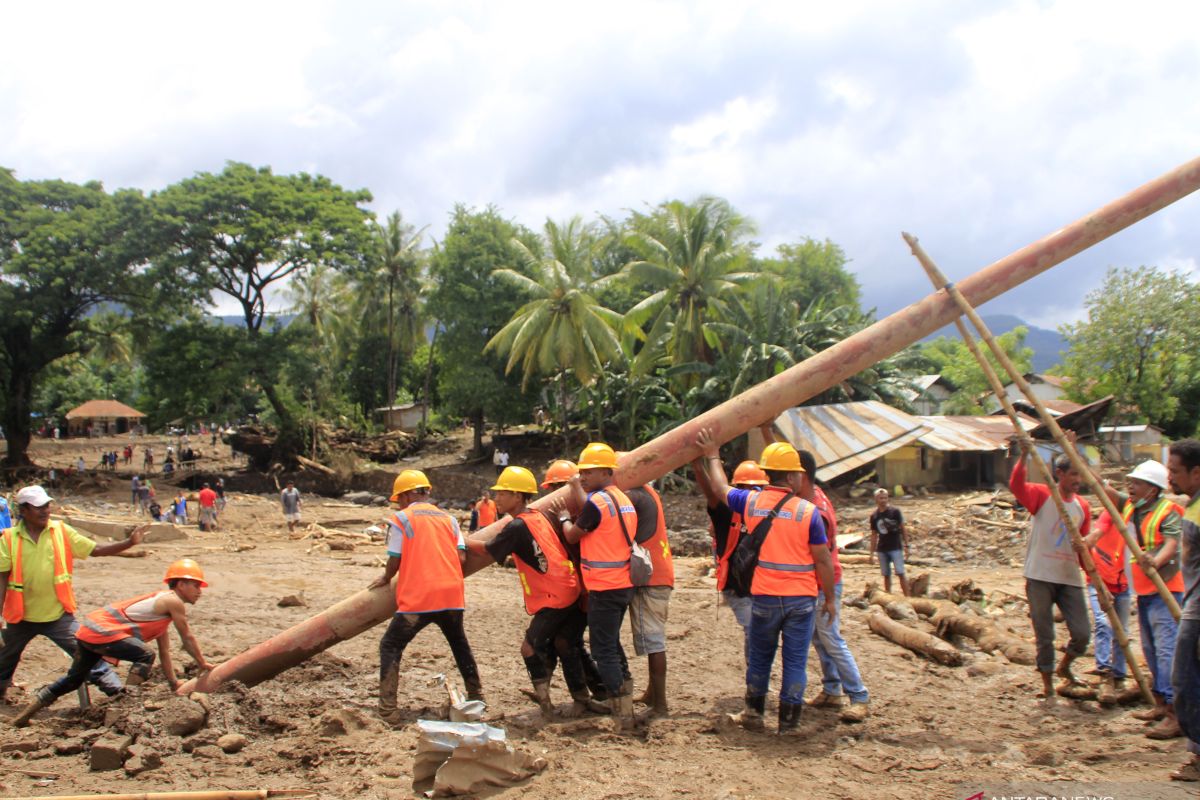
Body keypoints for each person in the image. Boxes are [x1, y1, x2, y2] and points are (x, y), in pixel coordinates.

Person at [697, 430, 836, 733]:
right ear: (791, 478)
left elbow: (721, 488)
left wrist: (711, 454)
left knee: (760, 658)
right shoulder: (808, 512)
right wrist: (830, 598)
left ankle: (753, 713)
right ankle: (789, 722)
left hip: (765, 597)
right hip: (801, 600)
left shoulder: (752, 504)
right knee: (795, 660)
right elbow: (823, 559)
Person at [12, 559, 216, 726]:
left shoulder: (161, 613)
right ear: (181, 584)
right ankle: (126, 706)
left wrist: (173, 683)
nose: (200, 591)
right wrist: (202, 662)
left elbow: (165, 651)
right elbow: (187, 637)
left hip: (89, 632)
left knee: (73, 679)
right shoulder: (173, 601)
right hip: (101, 632)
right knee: (145, 655)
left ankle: (23, 716)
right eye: (196, 585)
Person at [467, 466, 603, 717]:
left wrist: (460, 542)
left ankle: (547, 706)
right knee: (565, 643)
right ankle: (583, 698)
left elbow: (488, 549)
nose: (496, 498)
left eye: (502, 493)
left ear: (518, 497)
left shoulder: (517, 526)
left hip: (554, 596)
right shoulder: (537, 516)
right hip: (570, 588)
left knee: (529, 648)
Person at [0, 486, 146, 702]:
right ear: (23, 510)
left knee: (86, 650)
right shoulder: (9, 538)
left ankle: (116, 692)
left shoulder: (60, 531)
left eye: (47, 505)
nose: (45, 510)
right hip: (21, 617)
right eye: (38, 507)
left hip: (57, 615)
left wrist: (129, 543)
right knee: (4, 659)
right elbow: (2, 578)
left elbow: (95, 550)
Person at [369, 470, 482, 724]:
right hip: (452, 594)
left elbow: (395, 559)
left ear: (409, 494)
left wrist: (386, 577)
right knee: (459, 643)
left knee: (390, 645)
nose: (398, 503)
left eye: (399, 497)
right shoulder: (450, 520)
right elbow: (461, 558)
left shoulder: (402, 519)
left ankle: (388, 711)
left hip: (419, 597)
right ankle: (477, 696)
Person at [1096, 460, 1185, 737]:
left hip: (1166, 588)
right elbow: (1103, 488)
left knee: (1166, 649)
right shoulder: (1132, 506)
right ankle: (1160, 702)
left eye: (1136, 483)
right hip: (1144, 590)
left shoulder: (1166, 510)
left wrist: (1155, 561)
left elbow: (1172, 542)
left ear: (1152, 489)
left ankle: (1174, 711)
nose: (1131, 487)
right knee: (1150, 649)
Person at [562, 442, 638, 727]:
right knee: (612, 641)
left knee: (602, 648)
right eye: (581, 472)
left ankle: (622, 710)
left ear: (606, 471)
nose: (582, 477)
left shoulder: (598, 502)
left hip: (605, 586)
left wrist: (562, 520)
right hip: (623, 582)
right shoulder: (623, 499)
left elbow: (573, 535)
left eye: (588, 472)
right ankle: (626, 694)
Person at [1009, 446, 1091, 700]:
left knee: (1082, 633)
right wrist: (1024, 455)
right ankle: (1047, 682)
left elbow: (1084, 547)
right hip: (1040, 575)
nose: (1078, 480)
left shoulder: (1083, 507)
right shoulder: (1043, 495)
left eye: (1081, 474)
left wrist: (1094, 578)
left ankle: (1065, 665)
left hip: (1069, 577)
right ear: (1059, 473)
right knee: (1044, 633)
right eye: (1073, 474)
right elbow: (1016, 484)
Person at [796, 449, 870, 723]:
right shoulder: (810, 494)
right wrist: (767, 429)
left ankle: (859, 695)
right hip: (817, 583)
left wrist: (828, 597)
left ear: (799, 476)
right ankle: (831, 689)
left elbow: (824, 561)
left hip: (824, 582)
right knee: (819, 636)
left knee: (831, 638)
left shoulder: (817, 510)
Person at [692, 455, 767, 661]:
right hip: (737, 586)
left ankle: (756, 681)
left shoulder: (767, 511)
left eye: (758, 488)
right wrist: (700, 466)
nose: (753, 493)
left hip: (762, 585)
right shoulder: (726, 512)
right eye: (747, 488)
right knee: (753, 631)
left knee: (759, 634)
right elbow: (713, 491)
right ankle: (755, 684)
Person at [1166, 439, 1200, 781]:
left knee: (1184, 679)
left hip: (1198, 608)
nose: (1169, 477)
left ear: (1196, 472)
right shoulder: (1191, 506)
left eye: (1175, 471)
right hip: (1192, 602)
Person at [625, 479, 674, 717]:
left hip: (651, 577)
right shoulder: (647, 492)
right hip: (657, 571)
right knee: (653, 639)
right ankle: (652, 694)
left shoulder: (635, 495)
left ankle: (661, 705)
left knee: (653, 641)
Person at [1081, 508, 1131, 705]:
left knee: (1122, 631)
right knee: (1103, 624)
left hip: (1123, 583)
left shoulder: (1135, 519)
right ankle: (1104, 671)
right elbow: (1095, 536)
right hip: (1099, 581)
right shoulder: (1110, 514)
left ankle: (1119, 675)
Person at [869, 489, 910, 596]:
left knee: (900, 573)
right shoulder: (874, 516)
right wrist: (871, 553)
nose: (883, 500)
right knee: (886, 575)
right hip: (882, 549)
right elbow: (874, 535)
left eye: (885, 498)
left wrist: (907, 545)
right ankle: (888, 596)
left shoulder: (895, 512)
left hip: (895, 547)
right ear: (876, 499)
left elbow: (903, 529)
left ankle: (908, 598)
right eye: (881, 498)